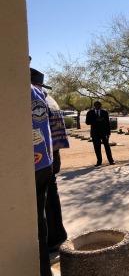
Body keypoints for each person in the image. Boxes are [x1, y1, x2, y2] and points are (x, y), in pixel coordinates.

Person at [30, 68, 53, 276]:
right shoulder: (38, 94)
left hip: (35, 166)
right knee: (40, 219)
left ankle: (42, 269)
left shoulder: (26, 92)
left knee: (36, 223)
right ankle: (43, 268)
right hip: (44, 163)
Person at [45, 94, 69, 253]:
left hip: (44, 158)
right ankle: (56, 235)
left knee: (48, 198)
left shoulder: (37, 99)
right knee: (51, 195)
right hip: (53, 155)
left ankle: (54, 237)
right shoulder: (49, 99)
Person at [85, 101, 115, 166]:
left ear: (100, 106)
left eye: (99, 105)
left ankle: (111, 161)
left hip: (104, 132)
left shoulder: (105, 112)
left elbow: (107, 123)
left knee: (107, 147)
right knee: (97, 148)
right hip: (95, 133)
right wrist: (96, 120)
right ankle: (99, 162)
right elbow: (87, 122)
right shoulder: (90, 113)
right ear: (94, 106)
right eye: (96, 105)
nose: (97, 106)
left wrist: (108, 133)